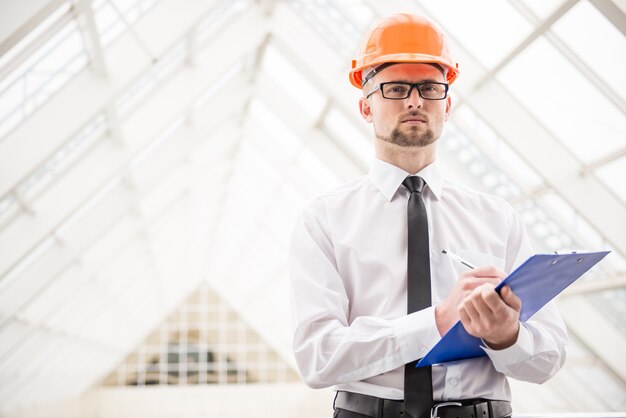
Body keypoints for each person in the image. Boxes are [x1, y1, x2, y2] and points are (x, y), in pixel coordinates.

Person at [289, 13, 568, 418]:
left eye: (430, 88)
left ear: (447, 104)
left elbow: (550, 356)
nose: (415, 101)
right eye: (397, 88)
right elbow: (317, 357)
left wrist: (507, 336)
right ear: (365, 106)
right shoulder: (324, 220)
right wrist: (438, 321)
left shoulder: (497, 218)